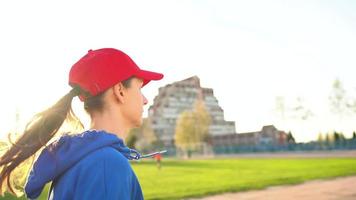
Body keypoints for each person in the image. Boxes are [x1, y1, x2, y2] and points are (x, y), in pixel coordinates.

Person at [0, 48, 163, 199]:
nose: (145, 100)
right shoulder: (106, 164)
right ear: (120, 91)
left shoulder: (87, 158)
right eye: (139, 88)